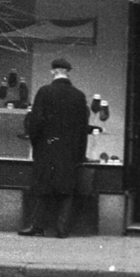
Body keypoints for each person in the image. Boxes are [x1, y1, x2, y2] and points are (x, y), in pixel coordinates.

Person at [19, 57, 90, 238]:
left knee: (43, 187)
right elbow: (83, 129)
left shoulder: (44, 92)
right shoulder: (79, 96)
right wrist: (80, 154)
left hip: (47, 147)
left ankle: (37, 226)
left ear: (52, 71)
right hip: (69, 150)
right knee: (67, 190)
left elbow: (35, 122)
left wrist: (37, 145)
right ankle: (62, 228)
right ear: (68, 72)